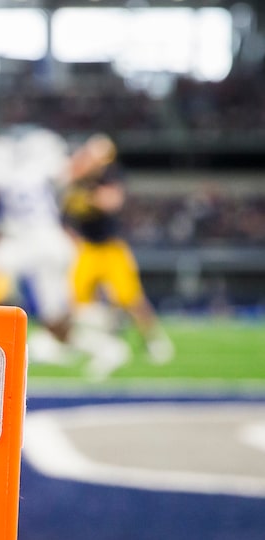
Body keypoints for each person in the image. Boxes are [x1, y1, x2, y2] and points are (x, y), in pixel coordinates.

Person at [0, 125, 131, 376]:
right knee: (54, 322)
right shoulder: (41, 163)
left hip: (29, 241)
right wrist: (92, 154)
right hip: (47, 241)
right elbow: (75, 170)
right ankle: (105, 344)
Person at [62, 133, 174, 368]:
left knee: (131, 297)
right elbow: (66, 210)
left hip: (110, 247)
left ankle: (153, 340)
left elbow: (111, 202)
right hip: (85, 247)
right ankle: (75, 343)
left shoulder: (109, 175)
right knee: (73, 300)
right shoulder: (76, 178)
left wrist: (86, 197)